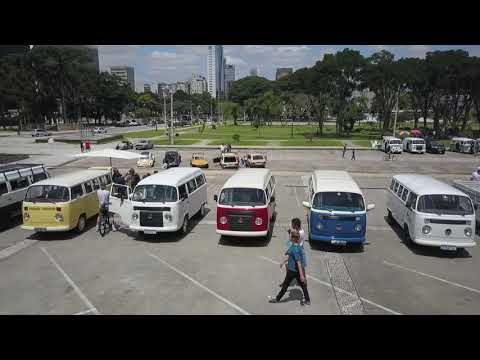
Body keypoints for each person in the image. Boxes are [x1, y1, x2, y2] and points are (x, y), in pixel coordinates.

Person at [269, 230, 311, 306]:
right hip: (295, 271)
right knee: (303, 285)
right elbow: (289, 256)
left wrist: (301, 275)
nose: (289, 237)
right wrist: (283, 262)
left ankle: (277, 299)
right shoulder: (296, 246)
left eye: (290, 236)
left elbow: (298, 262)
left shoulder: (295, 249)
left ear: (293, 238)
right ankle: (307, 300)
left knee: (285, 285)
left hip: (293, 271)